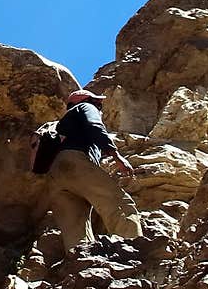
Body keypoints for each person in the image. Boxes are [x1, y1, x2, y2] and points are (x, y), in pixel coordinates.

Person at [45, 88, 143, 253]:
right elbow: (95, 126)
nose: (99, 106)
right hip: (75, 164)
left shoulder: (64, 124)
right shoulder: (84, 108)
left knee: (75, 226)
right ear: (84, 101)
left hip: (54, 176)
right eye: (96, 102)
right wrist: (117, 157)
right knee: (118, 203)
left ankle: (81, 267)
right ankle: (135, 249)